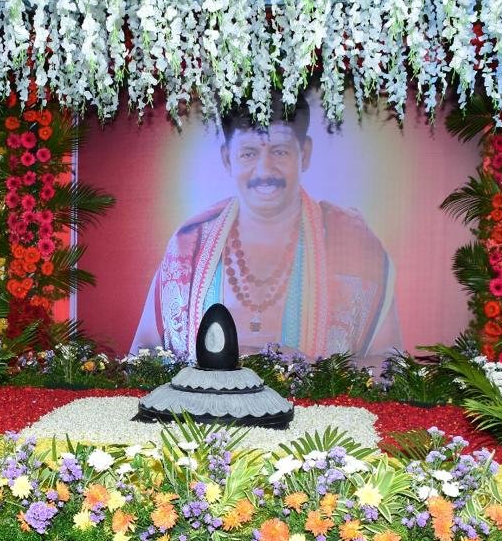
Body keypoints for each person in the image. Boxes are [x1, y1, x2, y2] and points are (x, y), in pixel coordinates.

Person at [131, 97, 402, 366]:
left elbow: (393, 367)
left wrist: (313, 370)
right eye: (248, 153)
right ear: (227, 159)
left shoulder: (354, 245)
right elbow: (141, 358)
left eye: (280, 152)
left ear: (305, 153)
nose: (264, 170)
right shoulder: (189, 245)